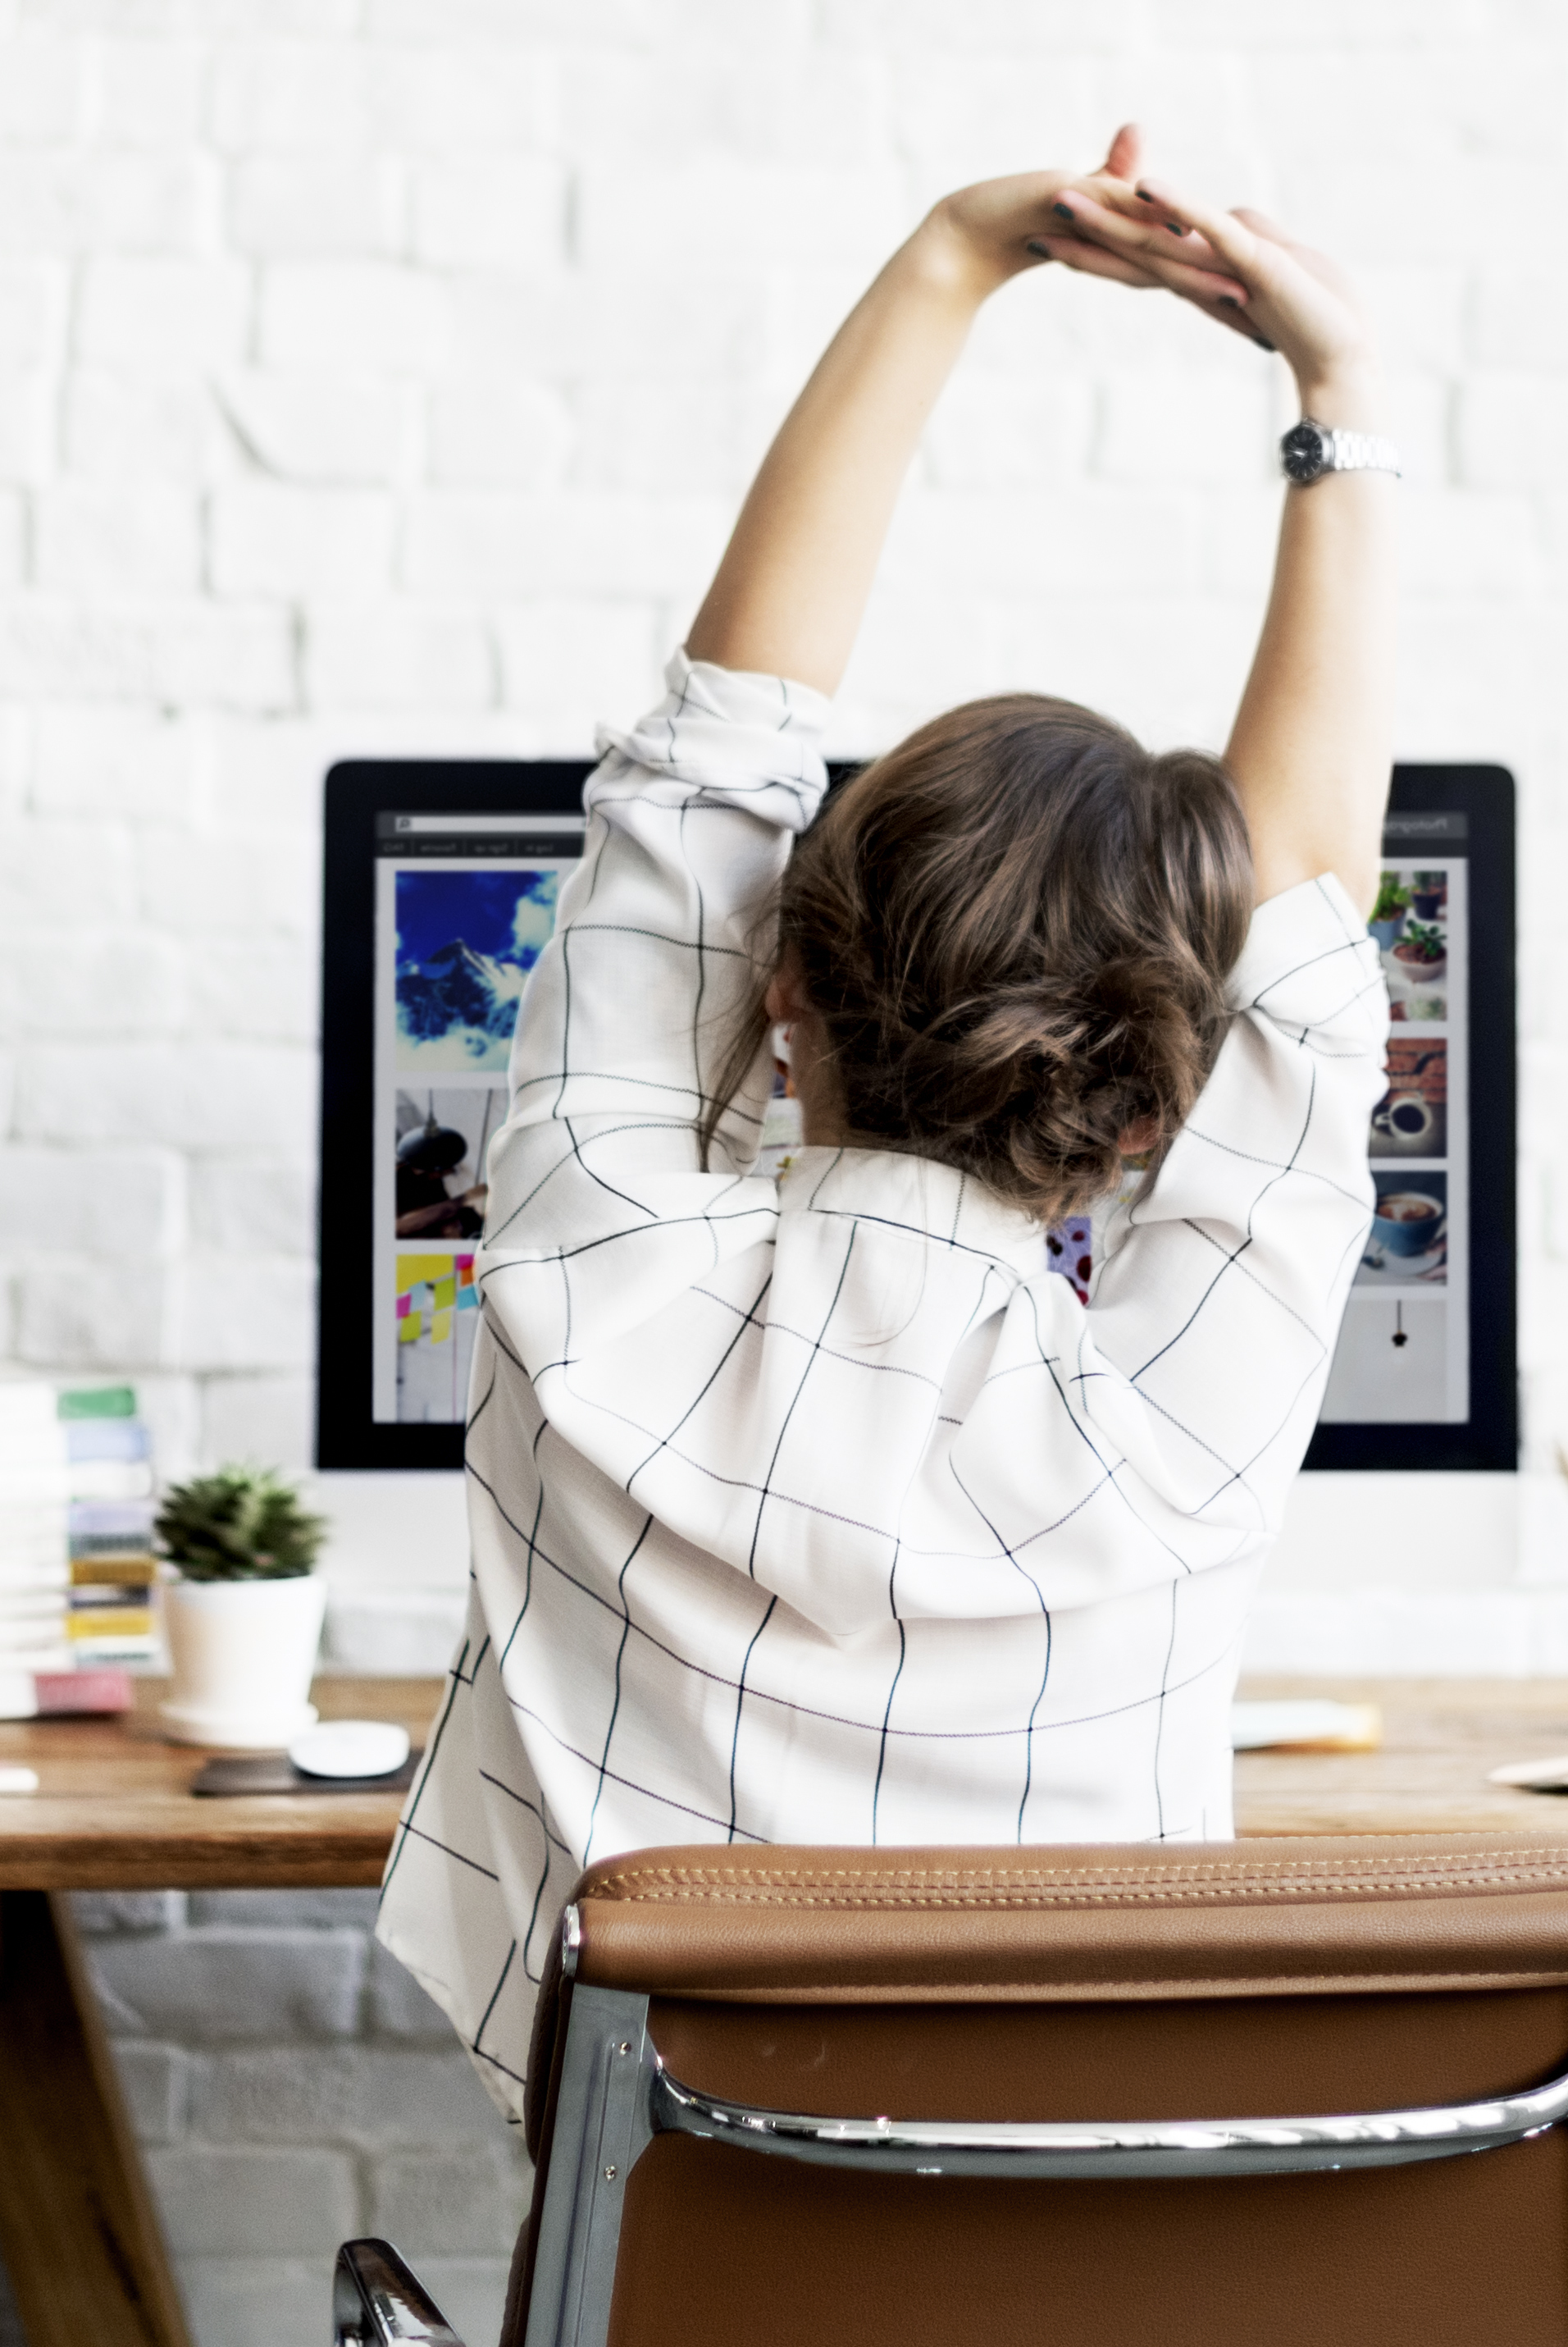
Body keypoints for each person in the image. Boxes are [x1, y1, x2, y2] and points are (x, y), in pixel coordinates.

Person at [375, 126, 1395, 2117]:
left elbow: (702, 768)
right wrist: (1338, 407)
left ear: (776, 990)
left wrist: (955, 256)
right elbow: (1303, 930)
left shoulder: (585, 1280)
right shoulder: (1176, 1443)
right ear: (1148, 1108)